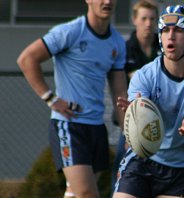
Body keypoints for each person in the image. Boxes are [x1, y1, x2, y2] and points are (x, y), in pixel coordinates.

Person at [112, 5, 184, 198]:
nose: (170, 36)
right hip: (143, 161)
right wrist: (136, 115)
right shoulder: (145, 75)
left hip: (183, 169)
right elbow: (139, 106)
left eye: (178, 30)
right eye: (165, 30)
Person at [17, 0, 128, 197]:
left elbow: (119, 92)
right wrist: (50, 98)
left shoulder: (117, 42)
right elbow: (27, 59)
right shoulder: (69, 32)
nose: (108, 1)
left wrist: (129, 132)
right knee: (86, 193)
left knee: (74, 192)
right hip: (69, 125)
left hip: (96, 127)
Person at [111, 0, 160, 192]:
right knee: (124, 170)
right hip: (131, 121)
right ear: (134, 20)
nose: (148, 23)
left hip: (158, 122)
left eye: (152, 19)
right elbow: (119, 87)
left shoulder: (164, 48)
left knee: (157, 173)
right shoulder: (124, 49)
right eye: (144, 18)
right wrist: (126, 126)